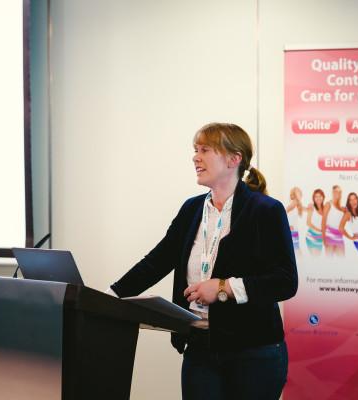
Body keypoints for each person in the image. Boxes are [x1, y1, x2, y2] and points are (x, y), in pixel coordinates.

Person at [107, 123, 298, 400]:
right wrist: (110, 296)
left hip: (254, 353)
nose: (195, 157)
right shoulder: (192, 208)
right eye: (195, 150)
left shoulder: (266, 210)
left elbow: (285, 281)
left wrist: (223, 288)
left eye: (205, 150)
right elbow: (156, 262)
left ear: (234, 159)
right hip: (200, 349)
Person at [321, 185, 346, 257]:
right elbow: (323, 222)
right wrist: (324, 239)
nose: (337, 193)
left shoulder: (341, 207)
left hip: (339, 236)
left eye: (339, 192)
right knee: (329, 261)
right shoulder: (328, 204)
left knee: (342, 260)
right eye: (336, 191)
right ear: (332, 192)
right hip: (329, 236)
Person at [305, 189, 325, 256]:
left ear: (323, 197)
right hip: (312, 236)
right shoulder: (312, 207)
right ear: (313, 198)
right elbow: (308, 223)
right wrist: (320, 230)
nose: (318, 198)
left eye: (320, 196)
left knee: (317, 258)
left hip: (320, 238)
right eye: (316, 196)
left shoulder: (325, 208)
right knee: (315, 257)